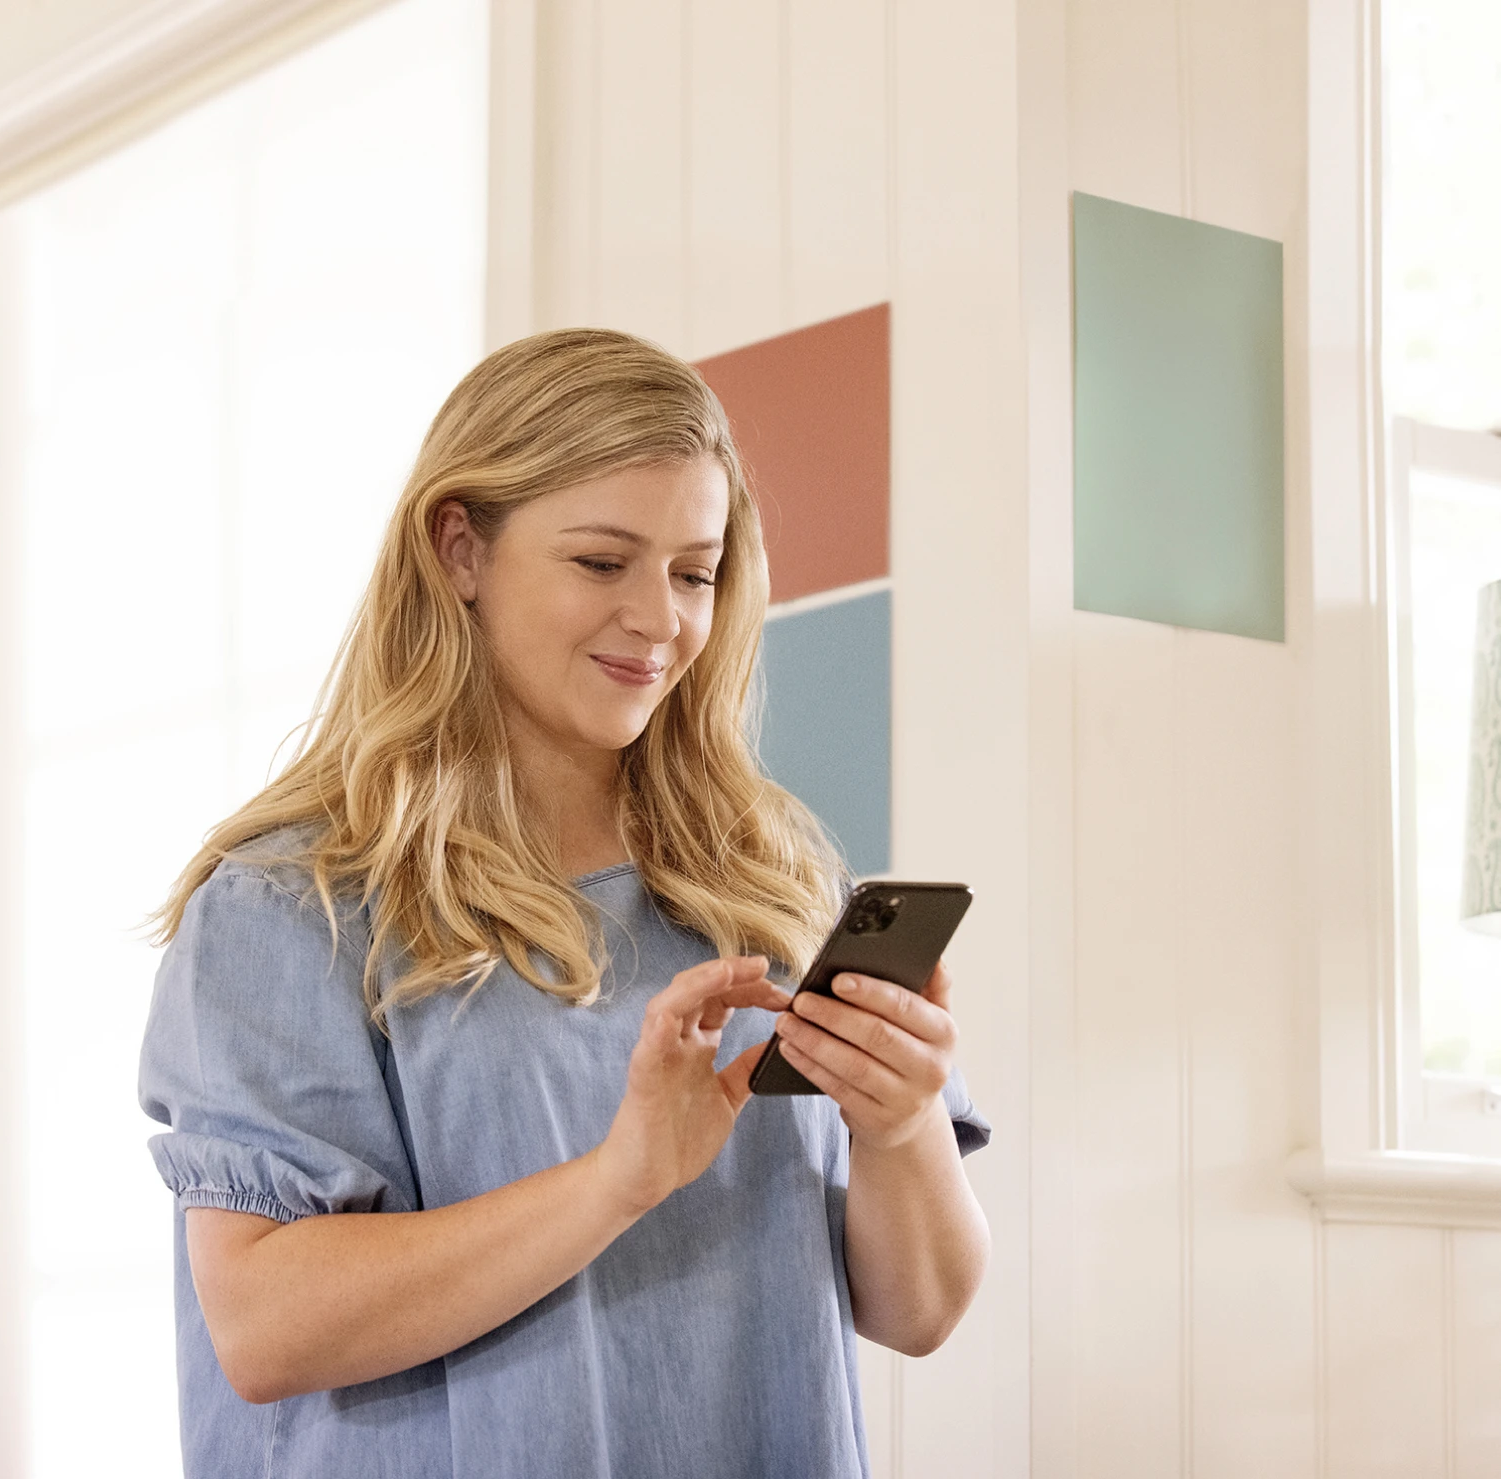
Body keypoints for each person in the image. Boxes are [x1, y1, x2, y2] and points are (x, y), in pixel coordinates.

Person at [138, 327, 991, 1478]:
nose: (660, 621)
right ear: (460, 551)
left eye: (695, 572)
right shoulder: (294, 908)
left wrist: (899, 1122)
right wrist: (617, 1181)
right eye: (602, 563)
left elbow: (918, 1312)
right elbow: (265, 1327)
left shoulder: (770, 879)